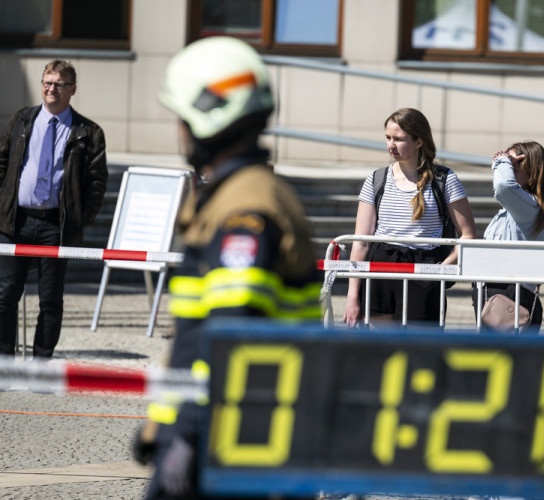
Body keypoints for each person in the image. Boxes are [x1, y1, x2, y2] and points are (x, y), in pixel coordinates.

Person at [133, 37, 320, 498]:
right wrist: (160, 426)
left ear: (206, 117)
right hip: (228, 434)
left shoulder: (245, 211)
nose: (179, 130)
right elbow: (195, 336)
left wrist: (188, 438)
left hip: (228, 443)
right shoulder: (237, 195)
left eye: (182, 118)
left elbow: (233, 338)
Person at [0, 60, 108, 358]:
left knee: (50, 300)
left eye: (59, 84)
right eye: (47, 82)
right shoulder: (22, 120)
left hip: (55, 226)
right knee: (5, 295)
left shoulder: (88, 132)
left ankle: (41, 366)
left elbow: (96, 183)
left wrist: (78, 219)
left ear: (72, 89)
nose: (52, 89)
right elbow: (2, 162)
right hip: (16, 222)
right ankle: (4, 363)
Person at [342, 108, 476, 328]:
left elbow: (468, 235)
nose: (391, 145)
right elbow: (361, 242)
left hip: (424, 270)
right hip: (380, 267)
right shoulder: (377, 179)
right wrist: (352, 296)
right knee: (379, 350)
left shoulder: (445, 179)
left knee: (419, 351)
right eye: (388, 138)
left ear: (419, 142)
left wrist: (442, 269)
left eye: (399, 139)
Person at [475, 141, 544, 333]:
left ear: (532, 173)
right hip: (499, 293)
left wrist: (502, 161)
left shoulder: (530, 207)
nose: (507, 170)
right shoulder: (519, 209)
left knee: (503, 358)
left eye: (514, 167)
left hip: (509, 295)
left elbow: (504, 186)